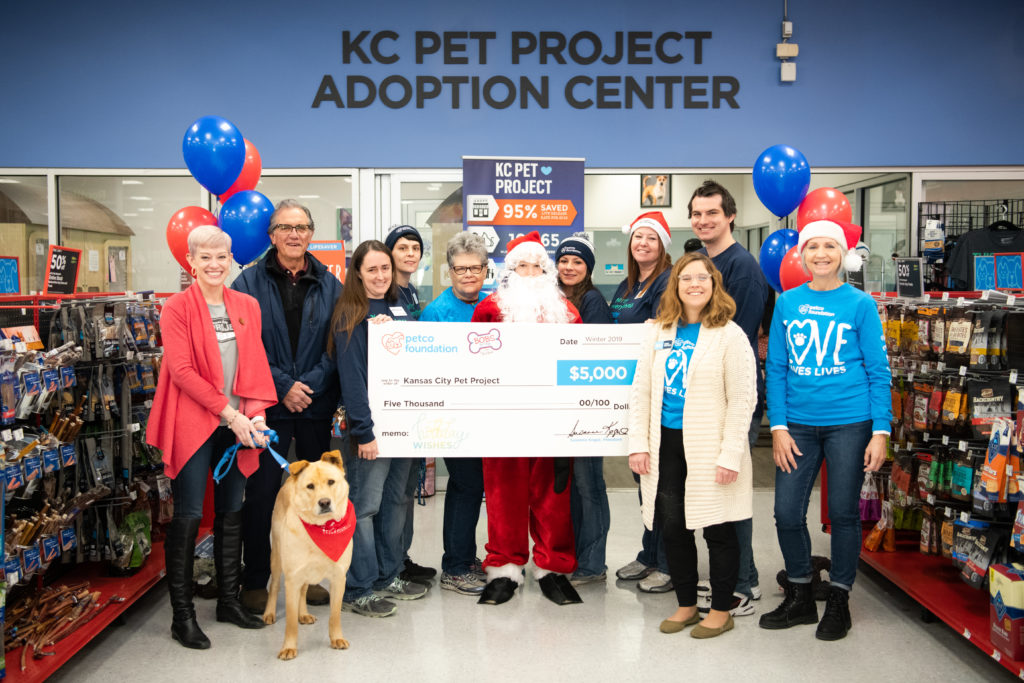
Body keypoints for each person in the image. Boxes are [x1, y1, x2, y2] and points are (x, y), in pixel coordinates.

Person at [760, 220, 891, 641]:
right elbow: (776, 368)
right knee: (785, 513)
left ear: (842, 253)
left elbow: (878, 371)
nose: (820, 253)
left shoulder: (860, 304)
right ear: (801, 254)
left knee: (843, 513)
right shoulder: (787, 303)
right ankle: (800, 593)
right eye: (812, 246)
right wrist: (776, 426)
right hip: (796, 423)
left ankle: (839, 598)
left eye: (829, 246)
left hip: (850, 424)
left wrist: (881, 430)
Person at [146, 225, 276, 649]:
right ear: (191, 262)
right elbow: (181, 372)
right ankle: (181, 617)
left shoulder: (247, 305)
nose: (215, 265)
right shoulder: (176, 309)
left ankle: (228, 600)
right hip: (196, 420)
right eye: (205, 257)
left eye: (222, 257)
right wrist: (230, 414)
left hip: (239, 422)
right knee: (186, 513)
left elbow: (255, 363)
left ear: (232, 259)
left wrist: (253, 416)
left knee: (232, 507)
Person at [627, 252, 756, 639]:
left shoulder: (730, 335)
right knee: (672, 526)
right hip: (664, 442)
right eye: (686, 279)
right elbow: (640, 391)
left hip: (709, 445)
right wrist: (638, 443)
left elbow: (742, 399)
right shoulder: (658, 331)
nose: (694, 284)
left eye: (702, 278)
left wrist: (731, 453)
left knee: (718, 528)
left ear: (714, 285)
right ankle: (686, 604)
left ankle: (720, 609)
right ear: (676, 286)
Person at [231, 199, 343, 613]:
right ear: (271, 235)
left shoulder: (331, 284)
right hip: (266, 408)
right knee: (262, 497)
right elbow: (247, 346)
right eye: (285, 227)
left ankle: (312, 575)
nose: (294, 234)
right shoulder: (247, 283)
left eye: (301, 227)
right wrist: (283, 387)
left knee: (319, 498)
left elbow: (337, 344)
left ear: (311, 233)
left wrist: (307, 386)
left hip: (314, 407)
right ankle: (258, 578)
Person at [471, 231, 583, 606]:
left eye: (538, 265)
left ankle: (552, 567)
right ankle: (504, 568)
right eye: (523, 265)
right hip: (503, 419)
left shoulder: (568, 313)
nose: (531, 272)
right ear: (510, 270)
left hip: (553, 419)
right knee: (504, 493)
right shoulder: (489, 309)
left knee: (553, 496)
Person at [329, 240, 428, 618]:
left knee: (394, 501)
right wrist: (364, 433)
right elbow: (352, 380)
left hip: (402, 426)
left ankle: (388, 576)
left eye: (385, 268)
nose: (380, 276)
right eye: (371, 270)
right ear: (357, 273)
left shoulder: (399, 306)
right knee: (364, 507)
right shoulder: (349, 314)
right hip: (366, 430)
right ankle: (360, 587)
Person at [691, 180, 770, 615]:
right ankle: (728, 576)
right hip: (703, 396)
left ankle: (744, 583)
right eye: (698, 214)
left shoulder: (742, 267)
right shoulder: (703, 260)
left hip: (731, 397)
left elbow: (732, 337)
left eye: (712, 214)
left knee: (731, 487)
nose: (704, 221)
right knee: (714, 490)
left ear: (731, 216)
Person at [421, 232, 490, 595]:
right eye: (460, 268)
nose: (468, 275)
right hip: (453, 417)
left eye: (475, 268)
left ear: (485, 269)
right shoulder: (435, 313)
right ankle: (455, 566)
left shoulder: (494, 306)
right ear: (449, 272)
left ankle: (465, 556)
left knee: (475, 488)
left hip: (489, 417)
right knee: (465, 487)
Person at [611, 211, 674, 594]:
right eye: (638, 238)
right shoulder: (627, 285)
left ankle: (667, 563)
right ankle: (649, 553)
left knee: (660, 481)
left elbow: (664, 334)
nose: (643, 244)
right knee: (643, 477)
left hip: (656, 394)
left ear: (663, 245)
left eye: (651, 238)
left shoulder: (666, 282)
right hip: (629, 390)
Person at [555, 234, 612, 586]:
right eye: (564, 261)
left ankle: (593, 564)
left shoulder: (592, 302)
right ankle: (575, 557)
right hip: (561, 409)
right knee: (571, 487)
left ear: (588, 268)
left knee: (589, 486)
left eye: (577, 262)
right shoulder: (554, 299)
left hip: (588, 411)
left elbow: (596, 354)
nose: (570, 267)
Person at [383, 223, 437, 585]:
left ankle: (401, 557)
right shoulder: (384, 293)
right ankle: (389, 566)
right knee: (392, 494)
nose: (409, 254)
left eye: (415, 248)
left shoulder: (412, 293)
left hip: (413, 402)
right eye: (402, 247)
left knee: (406, 490)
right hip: (391, 406)